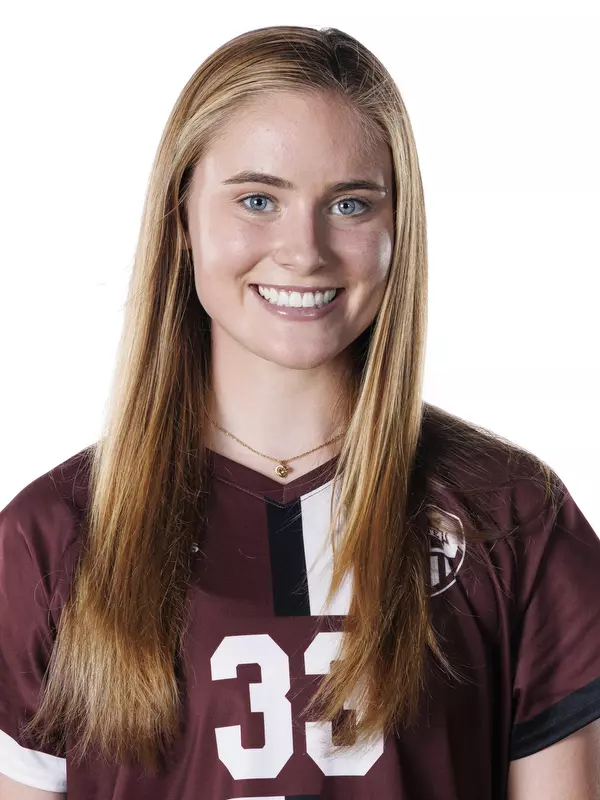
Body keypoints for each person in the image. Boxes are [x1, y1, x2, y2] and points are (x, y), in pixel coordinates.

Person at [1, 24, 599, 800]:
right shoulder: (54, 534)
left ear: (398, 226)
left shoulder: (513, 517)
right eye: (258, 199)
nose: (304, 249)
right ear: (182, 218)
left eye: (349, 203)